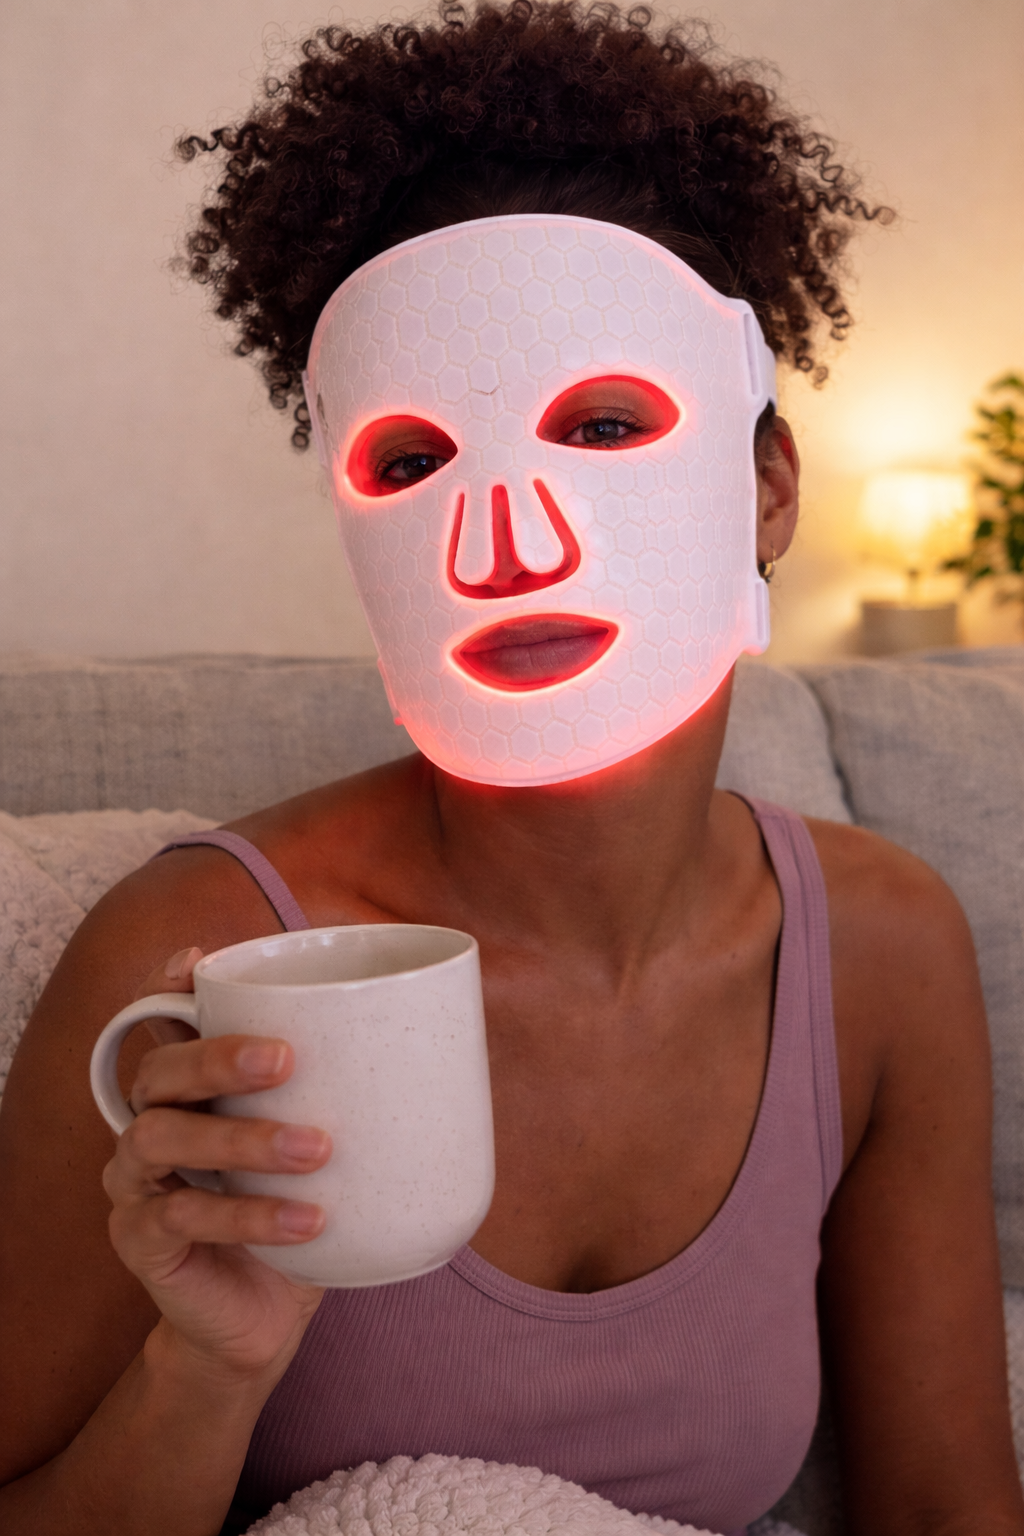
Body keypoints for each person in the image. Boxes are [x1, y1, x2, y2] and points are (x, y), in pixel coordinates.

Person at [0, 4, 1021, 1534]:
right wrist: (204, 1369)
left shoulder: (883, 953)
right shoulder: (195, 965)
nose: (508, 543)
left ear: (766, 488)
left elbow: (949, 1508)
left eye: (605, 426)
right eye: (414, 463)